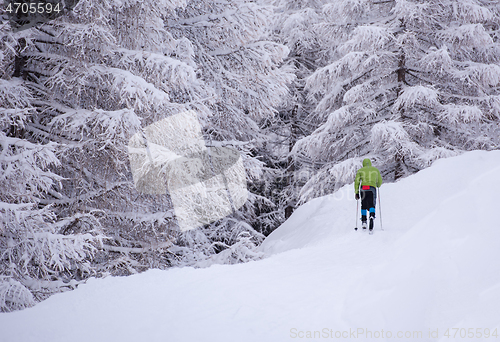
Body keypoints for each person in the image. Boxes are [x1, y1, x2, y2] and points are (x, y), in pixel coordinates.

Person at [354, 158, 383, 232]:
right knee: (372, 204)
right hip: (372, 188)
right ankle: (372, 216)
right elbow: (380, 181)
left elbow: (357, 182)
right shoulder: (375, 170)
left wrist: (356, 192)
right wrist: (377, 185)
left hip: (363, 188)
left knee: (363, 204)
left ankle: (364, 221)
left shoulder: (360, 170)